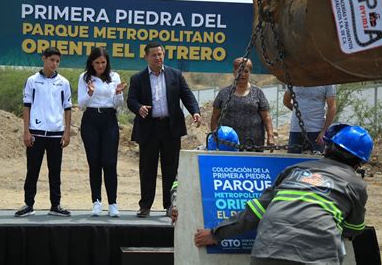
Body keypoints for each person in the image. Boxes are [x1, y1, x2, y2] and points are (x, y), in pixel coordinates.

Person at [194, 123, 373, 264]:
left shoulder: (294, 170)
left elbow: (256, 211)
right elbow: (353, 229)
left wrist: (215, 234)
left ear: (328, 148)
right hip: (317, 257)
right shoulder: (356, 185)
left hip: (267, 252)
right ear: (359, 163)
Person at [127, 41, 201, 218]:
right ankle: (145, 205)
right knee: (147, 168)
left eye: (160, 54)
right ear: (146, 57)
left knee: (171, 168)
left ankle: (170, 205)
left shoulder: (175, 75)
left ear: (163, 55)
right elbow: (131, 100)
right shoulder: (138, 78)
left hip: (170, 128)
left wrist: (195, 112)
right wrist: (139, 108)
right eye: (153, 55)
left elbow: (187, 95)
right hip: (148, 128)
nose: (157, 58)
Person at [15, 47, 72, 217]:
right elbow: (27, 107)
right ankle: (28, 204)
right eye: (51, 60)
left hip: (56, 134)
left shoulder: (64, 82)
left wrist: (67, 132)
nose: (54, 63)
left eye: (57, 61)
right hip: (35, 133)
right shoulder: (32, 80)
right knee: (32, 170)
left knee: (55, 171)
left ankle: (55, 205)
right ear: (44, 59)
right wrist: (26, 131)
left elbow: (67, 109)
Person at [78, 47, 126, 217]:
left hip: (109, 120)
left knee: (110, 162)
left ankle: (112, 203)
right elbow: (81, 104)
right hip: (90, 120)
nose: (100, 66)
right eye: (97, 62)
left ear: (107, 62)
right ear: (92, 62)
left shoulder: (114, 76)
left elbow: (117, 103)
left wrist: (119, 94)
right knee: (95, 162)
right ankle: (96, 202)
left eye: (103, 62)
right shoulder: (85, 77)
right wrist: (90, 93)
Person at [211, 57, 274, 150]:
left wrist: (270, 136)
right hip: (228, 144)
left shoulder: (258, 92)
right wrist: (215, 136)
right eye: (239, 71)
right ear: (234, 72)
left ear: (250, 73)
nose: (243, 74)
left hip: (254, 144)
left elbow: (266, 117)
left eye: (246, 71)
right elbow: (214, 117)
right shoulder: (223, 93)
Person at [283, 85, 336, 153]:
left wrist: (324, 131)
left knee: (316, 161)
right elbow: (286, 101)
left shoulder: (328, 82)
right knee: (293, 161)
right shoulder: (294, 79)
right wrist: (298, 113)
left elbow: (332, 107)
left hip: (317, 131)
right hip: (296, 129)